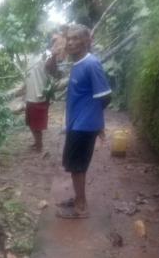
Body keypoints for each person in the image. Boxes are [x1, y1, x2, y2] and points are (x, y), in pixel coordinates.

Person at [56, 24, 111, 219]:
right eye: (69, 39)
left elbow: (105, 96)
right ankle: (79, 198)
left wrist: (94, 121)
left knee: (77, 167)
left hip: (84, 126)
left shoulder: (91, 64)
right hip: (76, 124)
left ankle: (81, 208)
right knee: (75, 166)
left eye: (76, 39)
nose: (70, 42)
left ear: (87, 41)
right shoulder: (77, 64)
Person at [24, 46, 58, 152]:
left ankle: (39, 146)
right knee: (30, 123)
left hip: (39, 96)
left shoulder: (46, 54)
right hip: (30, 96)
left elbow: (52, 71)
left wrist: (54, 56)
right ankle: (36, 143)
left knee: (36, 125)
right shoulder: (29, 55)